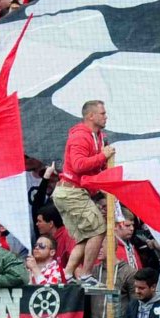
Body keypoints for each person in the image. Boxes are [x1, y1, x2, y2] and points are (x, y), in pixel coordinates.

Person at [53, 100, 112, 282]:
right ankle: (86, 275)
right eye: (102, 113)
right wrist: (103, 156)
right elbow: (78, 165)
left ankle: (68, 274)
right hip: (72, 192)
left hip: (71, 192)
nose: (106, 116)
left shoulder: (98, 136)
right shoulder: (80, 136)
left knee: (86, 236)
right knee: (98, 229)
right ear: (91, 116)